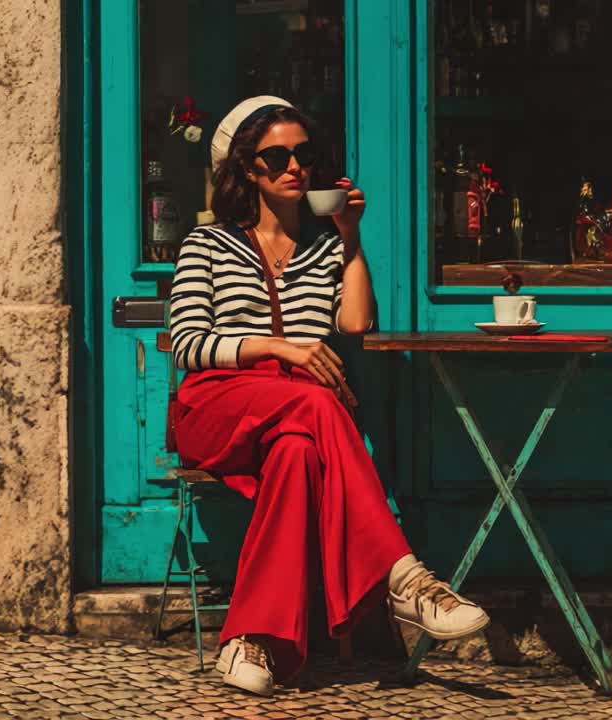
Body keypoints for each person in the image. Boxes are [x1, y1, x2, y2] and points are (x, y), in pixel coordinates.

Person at [170, 97, 489, 696]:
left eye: (305, 155)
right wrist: (280, 349)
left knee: (296, 451)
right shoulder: (205, 244)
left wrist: (350, 237)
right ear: (247, 169)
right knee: (321, 402)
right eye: (277, 156)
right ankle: (404, 579)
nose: (295, 167)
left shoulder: (324, 248)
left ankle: (250, 643)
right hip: (217, 407)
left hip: (294, 419)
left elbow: (357, 323)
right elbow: (188, 343)